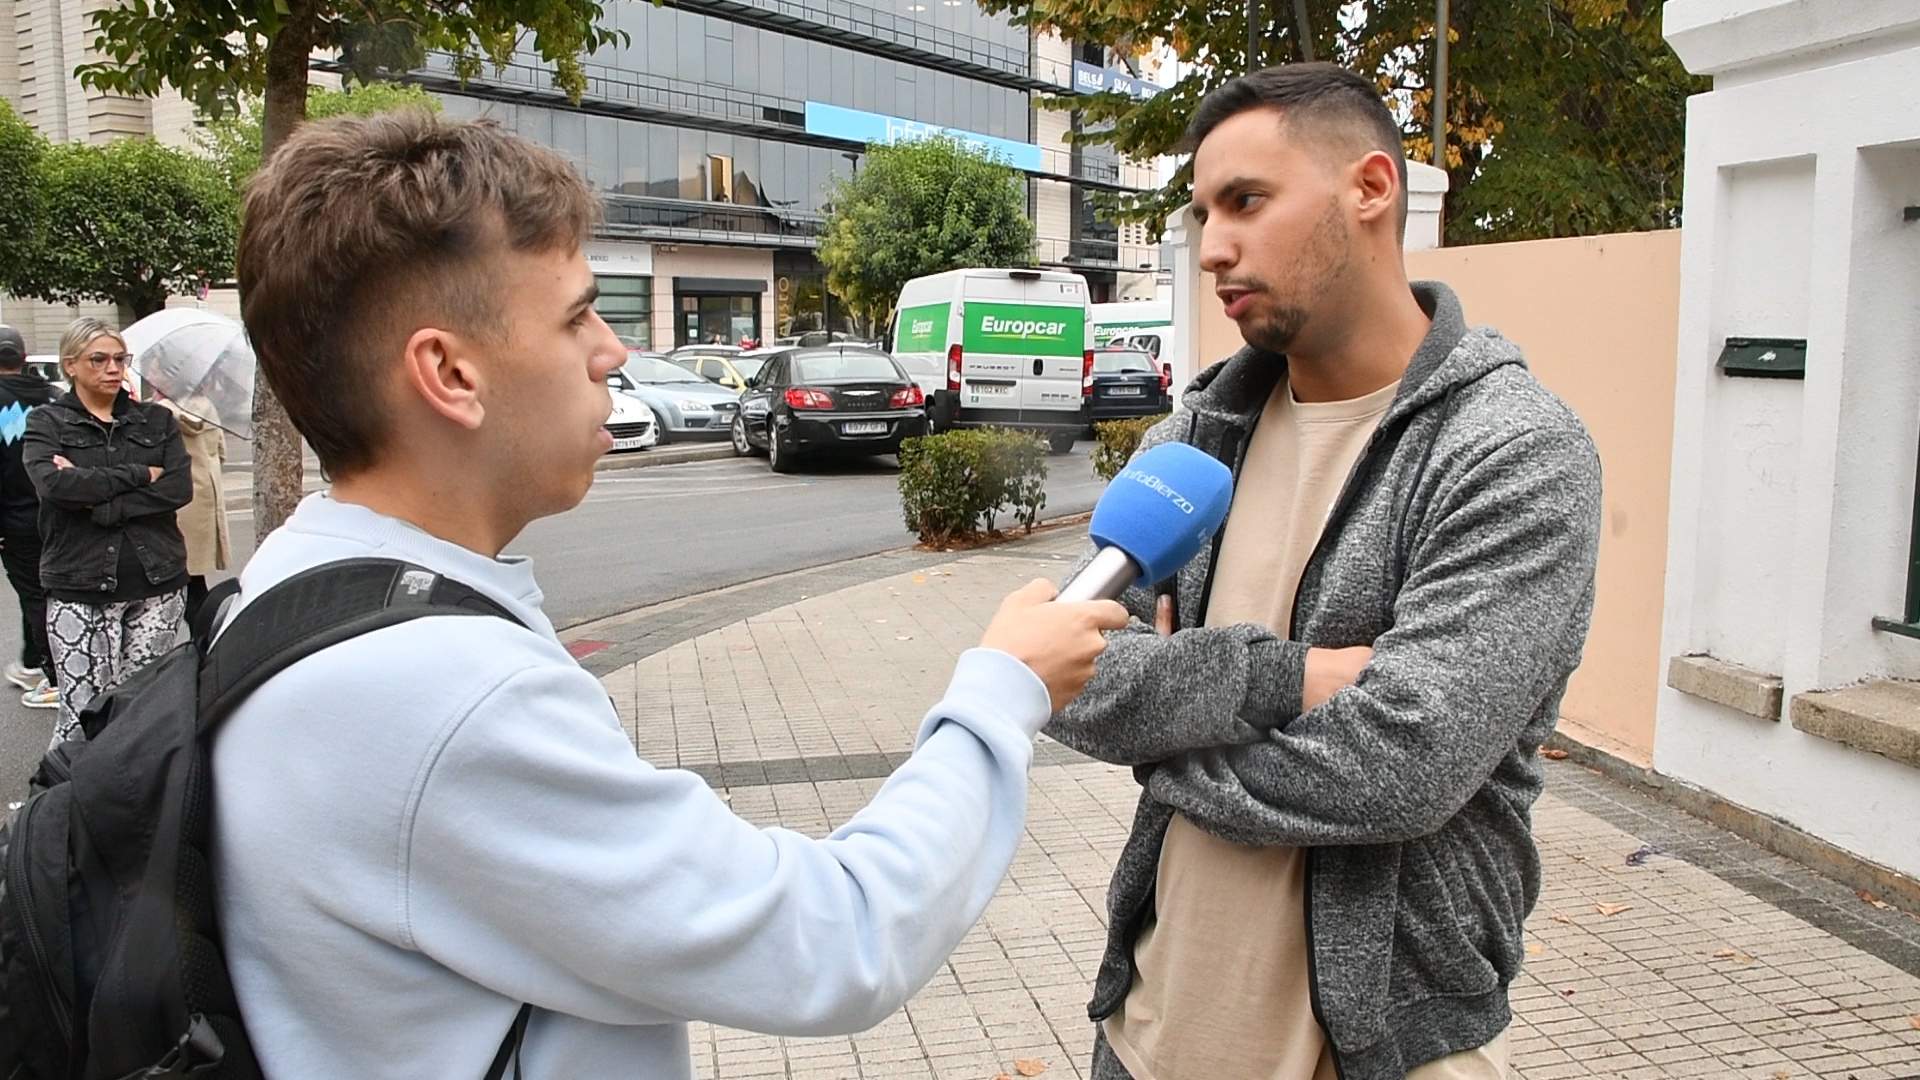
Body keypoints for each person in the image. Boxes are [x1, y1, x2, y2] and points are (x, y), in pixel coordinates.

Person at [217, 111, 1128, 1076]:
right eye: (576, 315)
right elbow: (838, 939)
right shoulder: (440, 696)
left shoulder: (293, 582)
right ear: (449, 372)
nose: (612, 350)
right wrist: (1001, 692)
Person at [1044, 64, 1604, 1080]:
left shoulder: (1510, 449)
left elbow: (1402, 764)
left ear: (1372, 188)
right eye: (1205, 211)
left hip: (1381, 1051)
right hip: (1151, 1029)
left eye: (1247, 202)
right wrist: (1279, 681)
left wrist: (1166, 734)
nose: (1214, 246)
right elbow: (1066, 673)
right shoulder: (1197, 437)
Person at [23, 318, 192, 746]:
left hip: (157, 582)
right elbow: (55, 486)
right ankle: (61, 805)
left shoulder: (156, 421)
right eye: (98, 359)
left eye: (120, 359)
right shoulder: (49, 422)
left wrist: (99, 499)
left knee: (141, 709)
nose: (113, 368)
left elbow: (177, 489)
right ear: (71, 365)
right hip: (79, 583)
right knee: (82, 712)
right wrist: (139, 473)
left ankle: (134, 805)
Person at [0, 325, 59, 708]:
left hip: (14, 516)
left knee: (34, 593)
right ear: (24, 358)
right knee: (49, 590)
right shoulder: (52, 397)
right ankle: (34, 660)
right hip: (57, 510)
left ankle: (55, 676)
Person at [152, 390, 230, 629]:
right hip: (205, 495)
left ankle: (204, 640)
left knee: (179, 581)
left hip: (177, 499)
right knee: (194, 579)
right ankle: (207, 636)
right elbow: (222, 451)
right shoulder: (206, 406)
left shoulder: (158, 412)